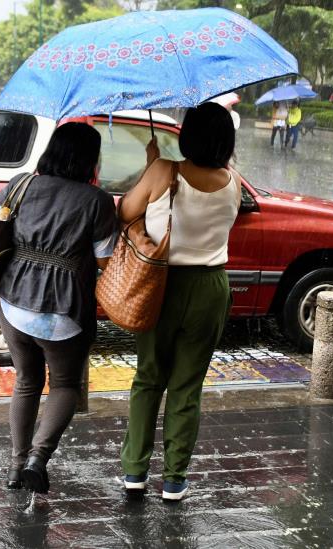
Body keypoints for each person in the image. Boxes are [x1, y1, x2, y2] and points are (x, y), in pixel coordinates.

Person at [0, 122, 116, 494]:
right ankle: (39, 457)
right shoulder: (97, 202)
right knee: (65, 383)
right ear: (91, 160)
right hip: (65, 310)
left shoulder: (22, 184)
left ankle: (15, 466)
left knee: (26, 381)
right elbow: (105, 260)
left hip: (15, 300)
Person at [119, 102, 241, 501]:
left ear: (186, 135)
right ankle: (175, 479)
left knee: (149, 377)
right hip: (210, 287)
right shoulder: (234, 182)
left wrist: (152, 164)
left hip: (162, 284)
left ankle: (135, 471)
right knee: (187, 386)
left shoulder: (163, 171)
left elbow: (125, 210)